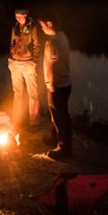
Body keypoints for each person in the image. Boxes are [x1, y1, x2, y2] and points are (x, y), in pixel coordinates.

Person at [39, 17, 72, 160]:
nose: (42, 28)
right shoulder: (63, 36)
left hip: (57, 84)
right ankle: (55, 139)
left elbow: (52, 62)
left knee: (59, 116)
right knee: (58, 114)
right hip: (66, 82)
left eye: (43, 25)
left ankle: (64, 149)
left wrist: (51, 84)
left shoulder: (52, 42)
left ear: (50, 24)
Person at [8, 8, 41, 128]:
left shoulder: (32, 28)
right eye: (16, 16)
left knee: (33, 93)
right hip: (15, 63)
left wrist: (35, 61)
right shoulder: (15, 27)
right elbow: (12, 42)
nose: (18, 18)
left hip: (28, 63)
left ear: (26, 16)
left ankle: (34, 121)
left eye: (20, 16)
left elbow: (37, 44)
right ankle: (17, 119)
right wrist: (10, 57)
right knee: (17, 93)